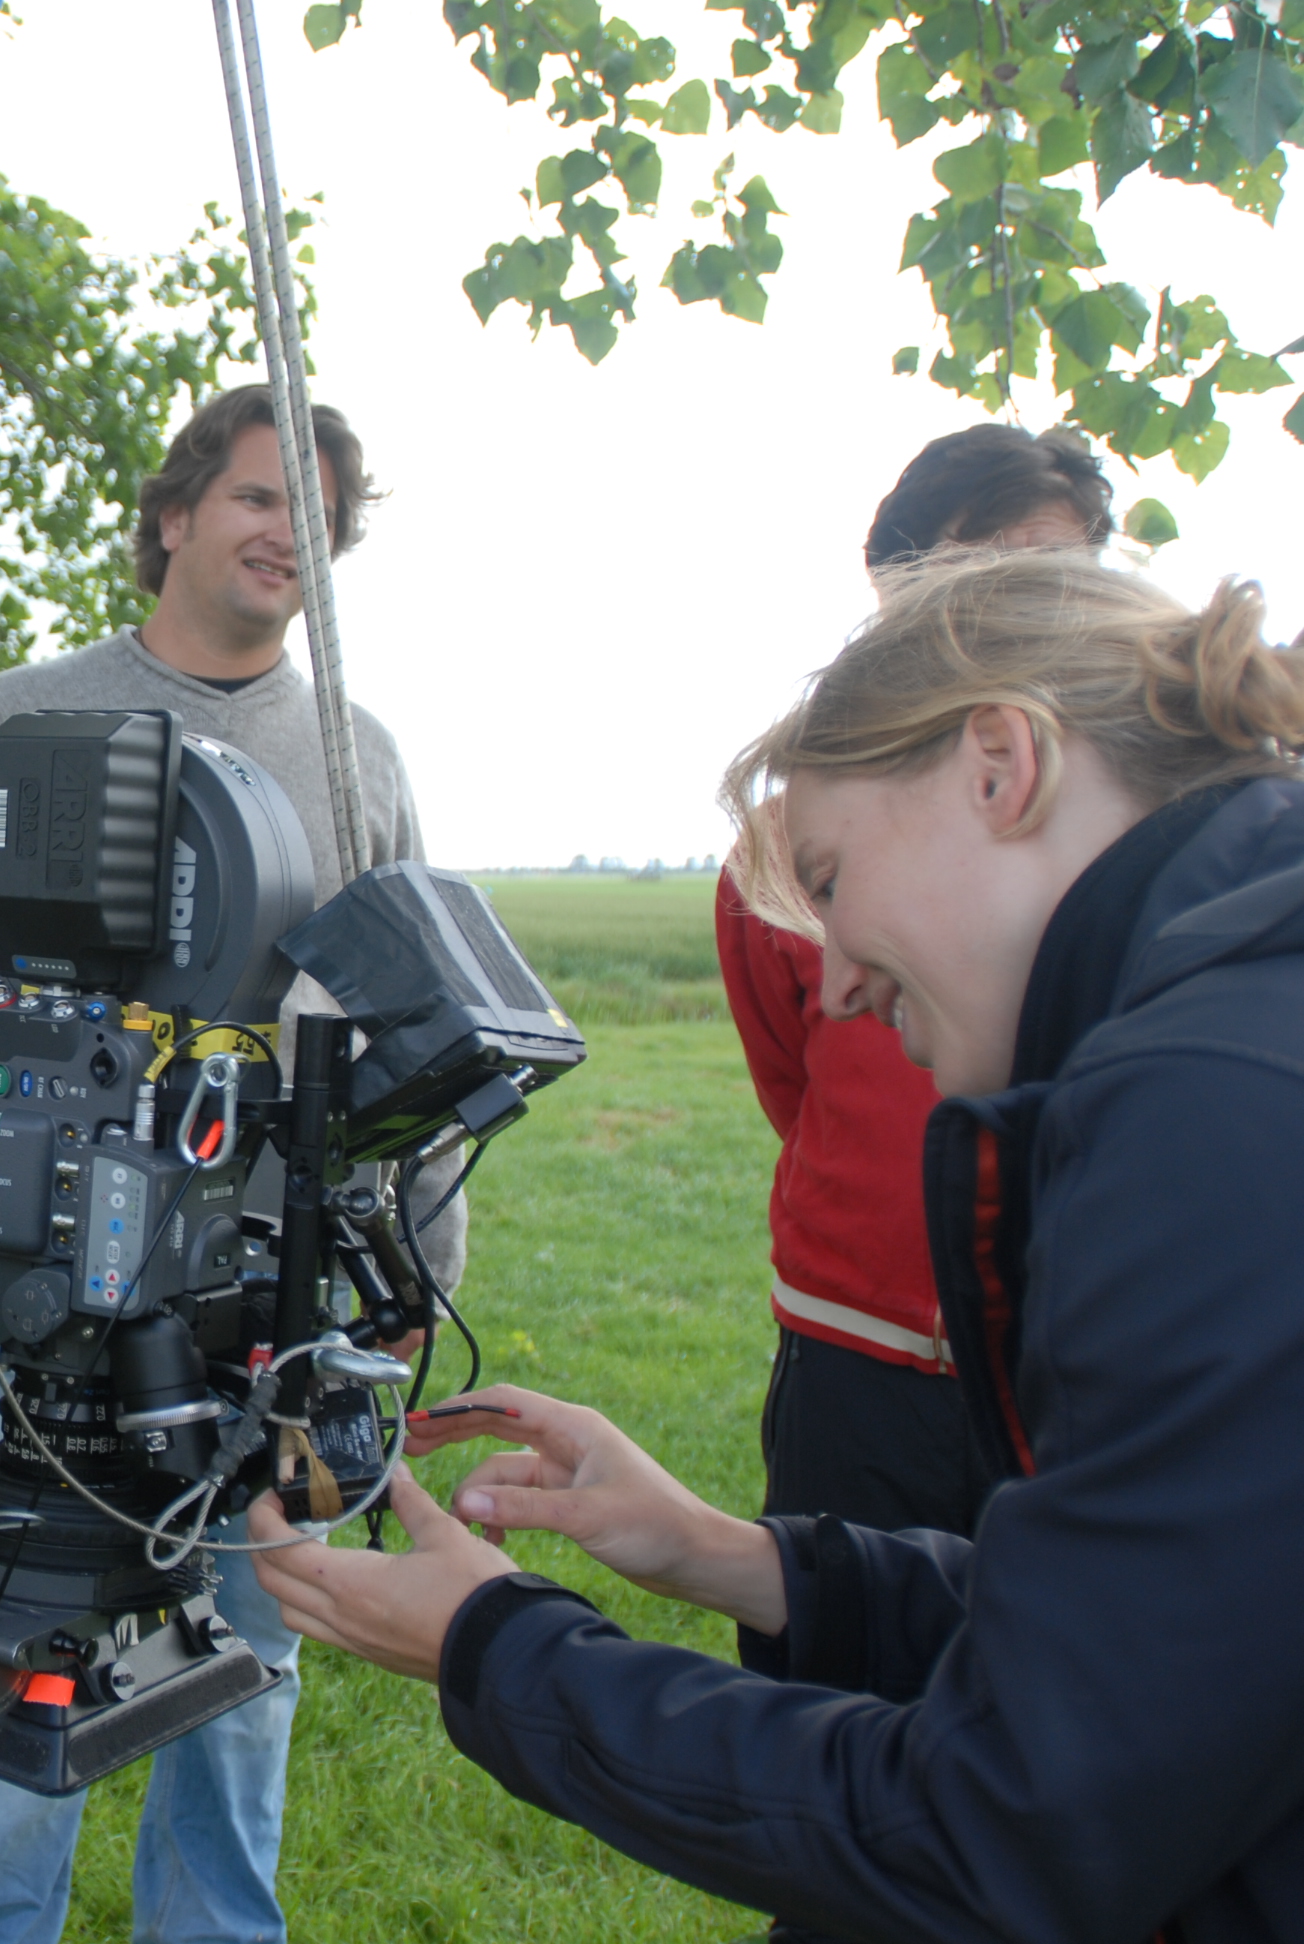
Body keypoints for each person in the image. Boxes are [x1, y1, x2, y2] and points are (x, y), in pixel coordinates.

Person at [251, 548, 1304, 1942]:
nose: (841, 977)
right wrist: (736, 1557)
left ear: (1002, 764)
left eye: (829, 874)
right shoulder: (1237, 1043)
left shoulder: (1208, 1112)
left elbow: (1010, 1827)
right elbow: (1168, 1637)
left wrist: (492, 1647)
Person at [0, 385, 453, 1944]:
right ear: (173, 515)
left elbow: (410, 1033)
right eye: (261, 498)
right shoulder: (17, 722)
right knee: (26, 1649)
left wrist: (419, 1271)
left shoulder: (356, 756)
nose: (295, 535)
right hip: (48, 1287)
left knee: (247, 1671)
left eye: (321, 517)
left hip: (278, 1292)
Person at [723, 424, 1115, 1550]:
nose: (1034, 610)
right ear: (899, 596)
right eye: (992, 571)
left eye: (1061, 571)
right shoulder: (786, 841)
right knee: (834, 1651)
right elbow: (792, 1081)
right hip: (854, 1354)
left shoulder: (1143, 845)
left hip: (1067, 1353)